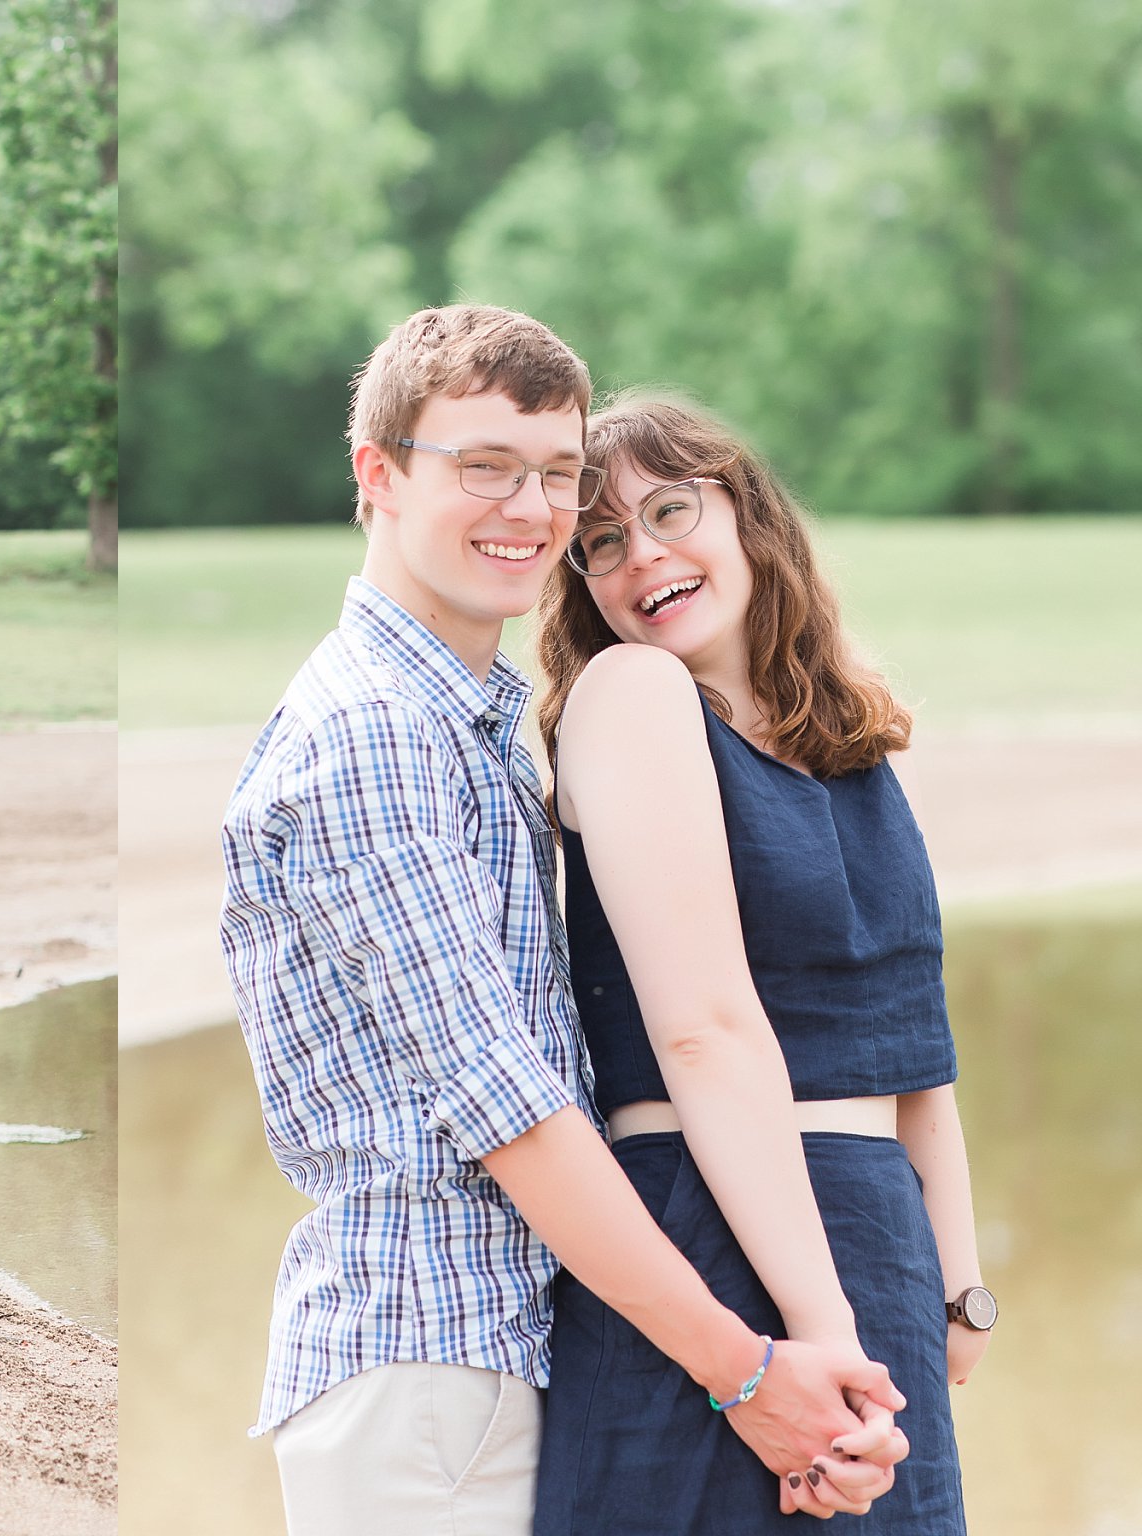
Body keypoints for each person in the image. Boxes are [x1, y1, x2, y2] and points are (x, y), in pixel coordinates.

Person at [218, 306, 907, 1535]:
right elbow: (512, 1112)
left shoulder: (468, 719)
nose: (528, 510)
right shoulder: (372, 734)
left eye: (551, 475)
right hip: (425, 1370)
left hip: (511, 1347)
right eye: (483, 468)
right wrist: (744, 1371)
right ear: (376, 475)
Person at [530, 396, 988, 1532]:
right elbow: (701, 1032)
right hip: (722, 1236)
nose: (642, 555)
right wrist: (818, 1327)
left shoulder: (847, 747)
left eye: (669, 508)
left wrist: (955, 1289)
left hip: (869, 1243)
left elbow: (912, 1051)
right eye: (600, 541)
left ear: (746, 512)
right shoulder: (631, 695)